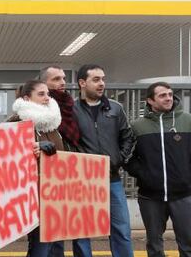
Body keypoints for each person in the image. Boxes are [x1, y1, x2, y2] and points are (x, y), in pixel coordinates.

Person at [125, 82, 191, 257]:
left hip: (184, 195)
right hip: (150, 196)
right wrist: (144, 174)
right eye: (162, 95)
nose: (168, 98)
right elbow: (128, 157)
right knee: (154, 246)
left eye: (170, 94)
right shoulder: (137, 126)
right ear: (150, 100)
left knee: (189, 246)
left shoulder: (189, 120)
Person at [73, 64, 134, 257]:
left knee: (121, 230)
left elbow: (128, 137)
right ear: (82, 83)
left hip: (112, 179)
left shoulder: (115, 108)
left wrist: (119, 159)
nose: (102, 84)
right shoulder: (70, 110)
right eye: (96, 79)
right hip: (82, 180)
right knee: (81, 231)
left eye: (103, 79)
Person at [39, 65, 91, 257]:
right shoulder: (37, 111)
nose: (62, 82)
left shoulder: (70, 105)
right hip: (46, 178)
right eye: (56, 79)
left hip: (70, 173)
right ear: (43, 83)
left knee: (71, 225)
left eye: (63, 78)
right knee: (49, 234)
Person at [7, 79, 62, 257]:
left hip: (52, 189)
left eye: (48, 94)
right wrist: (32, 148)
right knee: (40, 243)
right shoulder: (17, 122)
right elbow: (7, 156)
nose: (47, 98)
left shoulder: (53, 125)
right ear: (26, 98)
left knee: (48, 242)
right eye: (41, 94)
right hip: (30, 192)